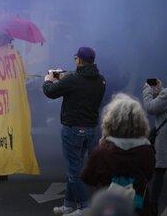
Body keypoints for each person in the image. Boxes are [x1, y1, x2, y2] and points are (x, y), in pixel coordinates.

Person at [43, 46, 107, 216]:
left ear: (79, 60)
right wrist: (66, 78)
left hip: (73, 129)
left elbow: (50, 92)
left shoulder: (72, 79)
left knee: (74, 171)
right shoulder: (101, 80)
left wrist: (49, 79)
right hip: (91, 129)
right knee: (74, 168)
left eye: (75, 58)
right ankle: (68, 204)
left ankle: (84, 207)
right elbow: (81, 87)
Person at [81, 93, 155, 215]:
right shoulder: (147, 150)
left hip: (109, 208)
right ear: (140, 121)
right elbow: (149, 175)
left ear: (110, 121)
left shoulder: (101, 152)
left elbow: (87, 178)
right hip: (139, 207)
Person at [143, 61, 167, 216]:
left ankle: (153, 207)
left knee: (159, 171)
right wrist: (161, 89)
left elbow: (152, 108)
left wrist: (147, 91)